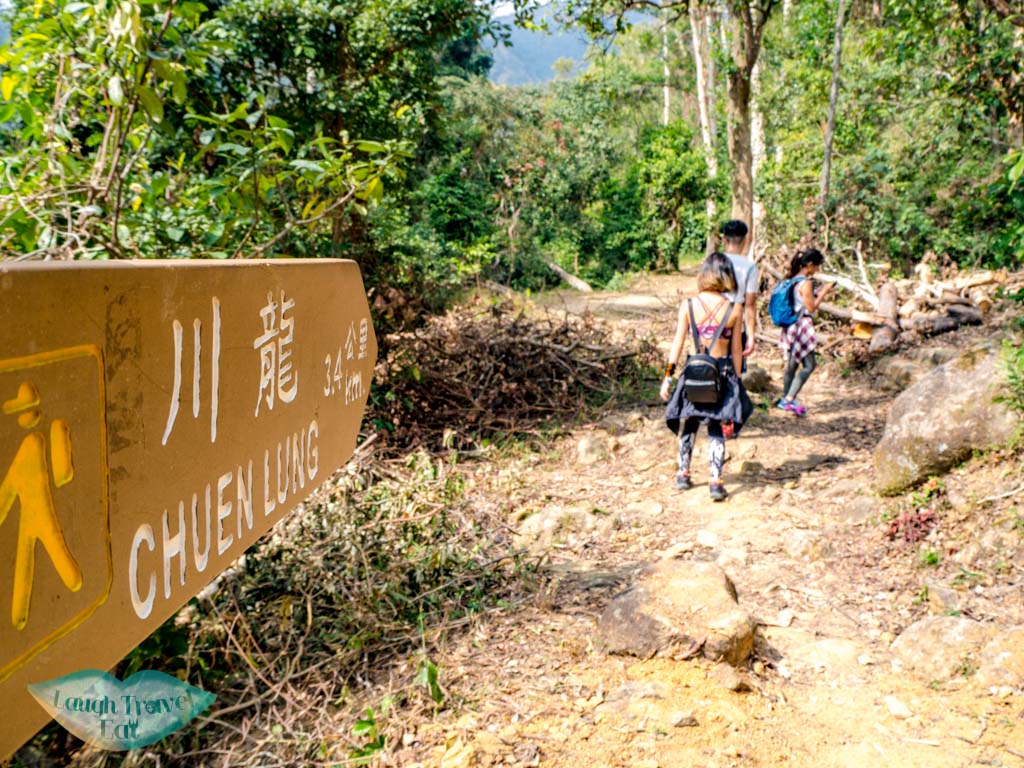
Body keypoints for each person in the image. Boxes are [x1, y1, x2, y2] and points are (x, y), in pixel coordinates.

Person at [660, 252, 754, 502]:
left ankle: (683, 474)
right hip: (721, 374)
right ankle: (715, 481)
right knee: (715, 427)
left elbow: (677, 344)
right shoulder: (735, 309)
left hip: (692, 373)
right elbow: (736, 351)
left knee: (688, 422)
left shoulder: (688, 306)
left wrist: (668, 378)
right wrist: (736, 381)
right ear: (727, 276)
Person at [777, 248, 833, 416]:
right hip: (802, 326)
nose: (818, 270)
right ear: (810, 265)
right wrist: (823, 292)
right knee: (809, 365)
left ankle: (785, 399)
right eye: (817, 266)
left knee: (792, 365)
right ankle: (788, 399)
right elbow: (811, 307)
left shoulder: (792, 280)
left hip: (791, 325)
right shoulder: (806, 283)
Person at [719, 220, 759, 439]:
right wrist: (751, 335)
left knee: (713, 368)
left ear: (724, 240)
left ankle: (715, 416)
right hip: (736, 327)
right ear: (745, 240)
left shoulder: (712, 262)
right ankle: (730, 421)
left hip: (712, 326)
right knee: (734, 373)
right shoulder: (749, 267)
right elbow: (749, 304)